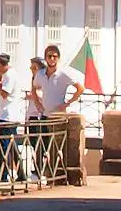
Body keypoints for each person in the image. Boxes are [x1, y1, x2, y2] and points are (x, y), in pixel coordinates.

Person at [30, 44, 84, 183]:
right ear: (46, 58)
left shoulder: (63, 73)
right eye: (49, 56)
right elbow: (34, 87)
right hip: (44, 115)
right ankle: (39, 173)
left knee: (56, 146)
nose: (52, 59)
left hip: (58, 116)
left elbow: (80, 88)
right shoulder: (41, 74)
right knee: (40, 145)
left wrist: (67, 103)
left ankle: (56, 174)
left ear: (58, 58)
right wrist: (37, 103)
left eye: (54, 56)